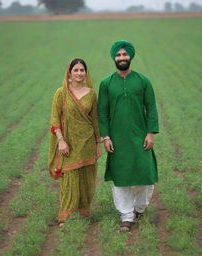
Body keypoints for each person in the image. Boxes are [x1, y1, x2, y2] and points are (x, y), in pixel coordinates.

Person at [98, 40, 159, 232]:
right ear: (114, 58)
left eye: (124, 55)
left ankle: (139, 208)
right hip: (117, 138)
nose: (122, 58)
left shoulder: (143, 81)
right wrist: (106, 137)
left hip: (140, 135)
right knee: (121, 175)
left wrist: (150, 133)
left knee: (144, 173)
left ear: (130, 57)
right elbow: (102, 113)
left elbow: (151, 108)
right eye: (118, 55)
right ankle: (126, 215)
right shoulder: (106, 83)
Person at [48, 58, 101, 226]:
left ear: (86, 73)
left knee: (86, 178)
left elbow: (95, 120)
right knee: (69, 178)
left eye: (82, 70)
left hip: (87, 142)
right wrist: (61, 140)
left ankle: (83, 212)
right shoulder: (61, 93)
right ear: (69, 73)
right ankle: (66, 216)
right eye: (76, 70)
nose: (79, 73)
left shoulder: (91, 93)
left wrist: (98, 144)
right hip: (68, 143)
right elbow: (55, 119)